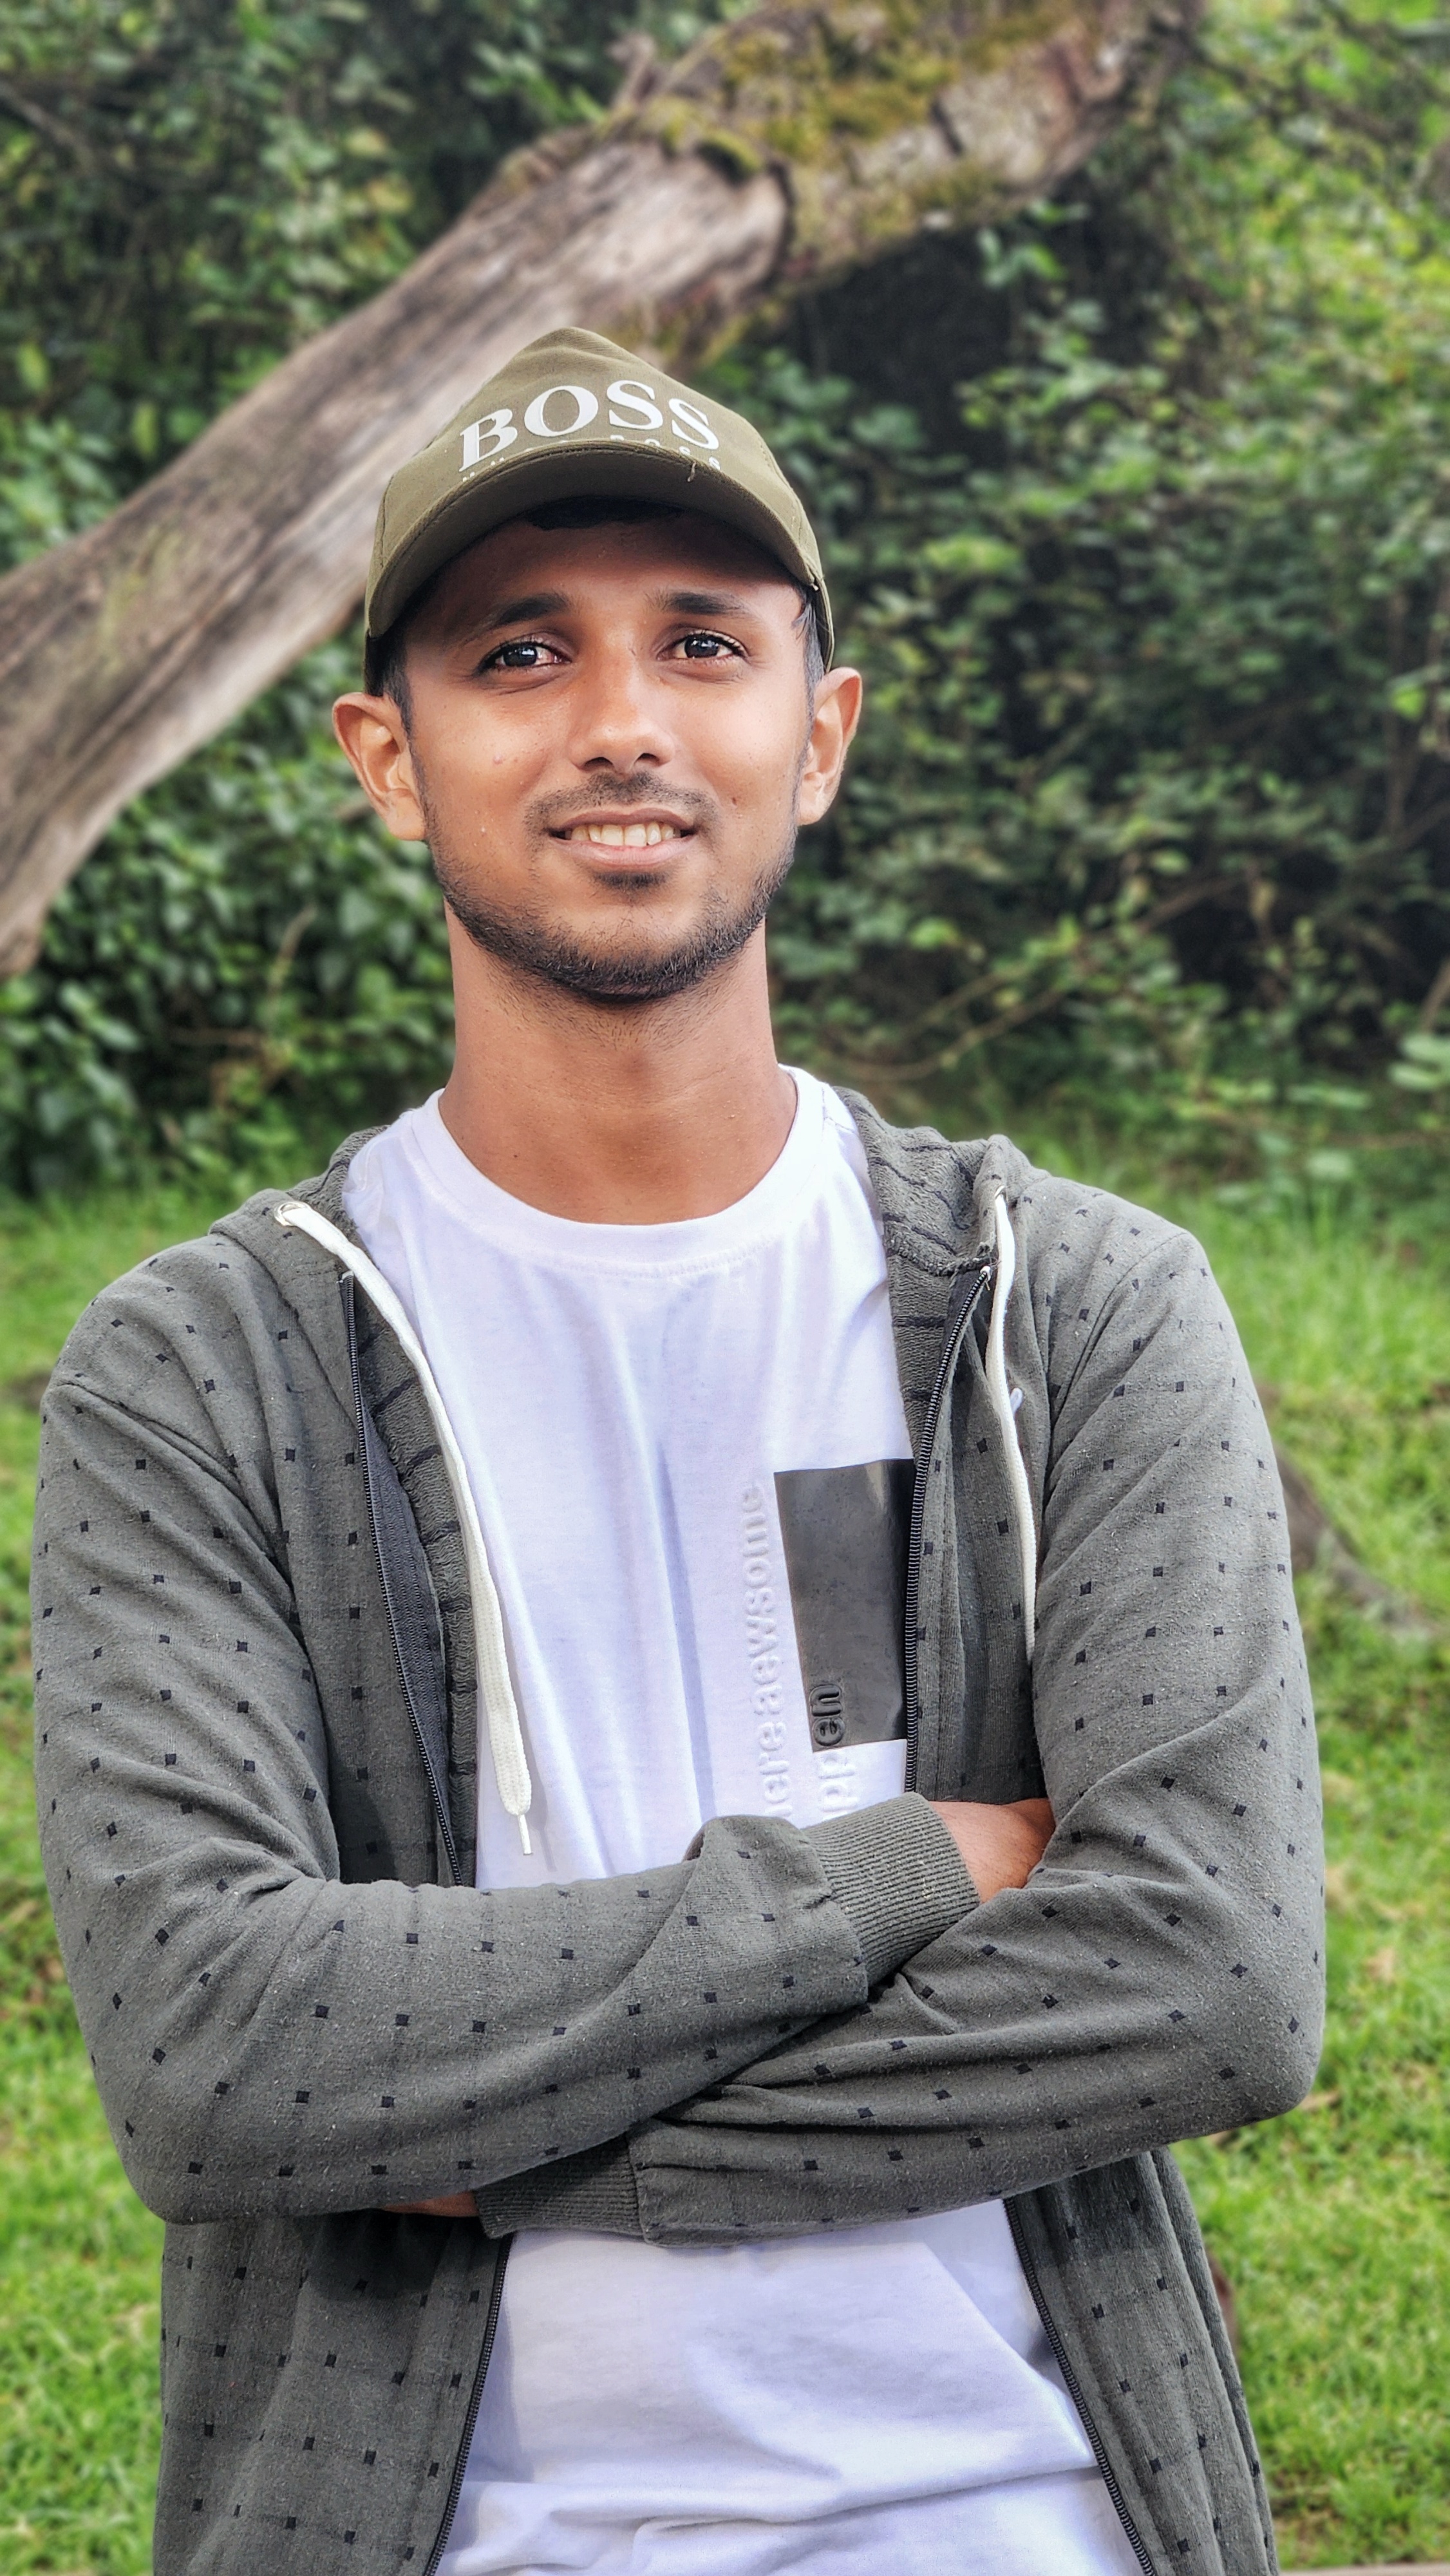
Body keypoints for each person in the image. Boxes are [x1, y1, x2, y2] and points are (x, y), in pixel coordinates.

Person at [32, 328, 1323, 2576]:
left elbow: (1212, 1977)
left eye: (701, 643)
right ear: (387, 758)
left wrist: (495, 2138)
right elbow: (221, 2052)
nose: (620, 720)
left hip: (1019, 2528)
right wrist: (894, 1874)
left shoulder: (1067, 1304)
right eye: (520, 651)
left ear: (815, 734)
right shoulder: (202, 1368)